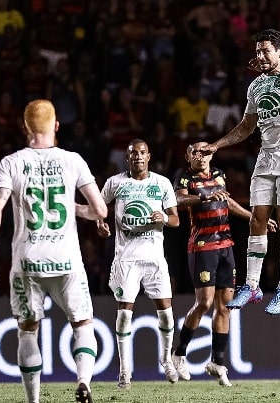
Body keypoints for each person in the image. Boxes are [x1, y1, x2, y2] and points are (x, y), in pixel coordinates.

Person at [0, 99, 107, 403]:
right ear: (56, 126)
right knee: (83, 323)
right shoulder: (72, 160)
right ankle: (83, 380)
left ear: (25, 127)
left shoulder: (11, 163)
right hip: (66, 260)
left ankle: (34, 400)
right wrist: (80, 211)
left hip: (27, 261)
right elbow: (99, 208)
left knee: (27, 330)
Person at [203, 28, 280, 315]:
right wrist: (217, 145)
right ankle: (252, 286)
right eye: (258, 51)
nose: (261, 56)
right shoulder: (256, 86)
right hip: (266, 158)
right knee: (258, 221)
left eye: (266, 51)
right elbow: (246, 126)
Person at [171, 141, 275, 386]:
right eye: (194, 151)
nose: (200, 154)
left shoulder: (219, 175)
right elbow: (178, 199)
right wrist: (204, 196)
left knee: (225, 307)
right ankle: (179, 353)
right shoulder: (185, 179)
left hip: (225, 246)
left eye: (204, 150)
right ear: (188, 157)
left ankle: (217, 362)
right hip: (202, 246)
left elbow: (227, 203)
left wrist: (255, 218)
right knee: (204, 303)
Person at [95, 138, 180, 388]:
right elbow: (100, 208)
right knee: (124, 315)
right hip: (126, 259)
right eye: (133, 153)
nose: (138, 157)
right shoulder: (115, 183)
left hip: (154, 258)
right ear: (127, 157)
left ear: (149, 156)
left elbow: (175, 220)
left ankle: (165, 360)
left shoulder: (161, 183)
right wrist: (100, 223)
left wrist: (163, 216)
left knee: (166, 315)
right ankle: (124, 371)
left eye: (142, 153)